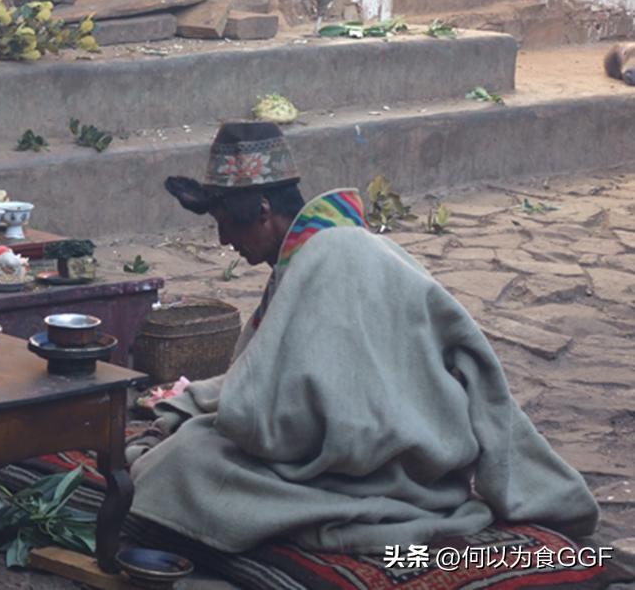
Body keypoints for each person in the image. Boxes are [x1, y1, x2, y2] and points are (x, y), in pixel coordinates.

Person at [127, 121, 599, 555]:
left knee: (182, 461)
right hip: (426, 470)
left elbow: (274, 420)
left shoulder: (328, 258)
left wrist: (207, 412)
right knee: (188, 442)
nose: (223, 242)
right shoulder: (340, 248)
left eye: (224, 224)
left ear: (263, 212)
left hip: (374, 476)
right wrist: (199, 398)